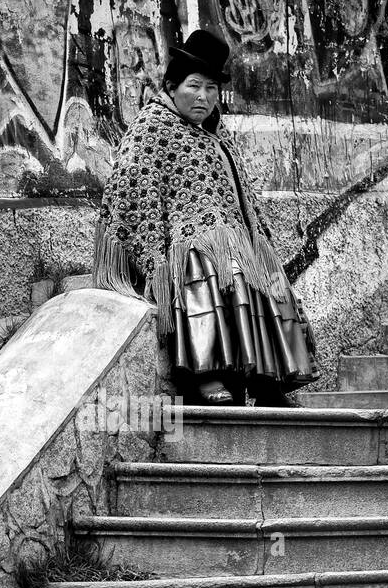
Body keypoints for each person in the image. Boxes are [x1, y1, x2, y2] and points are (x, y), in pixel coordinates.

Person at [93, 29, 319, 404]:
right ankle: (210, 373)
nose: (203, 97)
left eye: (211, 89)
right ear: (171, 85)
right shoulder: (153, 128)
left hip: (235, 240)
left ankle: (267, 378)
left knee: (258, 270)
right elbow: (130, 188)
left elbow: (240, 195)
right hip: (184, 247)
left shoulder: (218, 133)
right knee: (205, 265)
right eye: (194, 86)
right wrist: (159, 255)